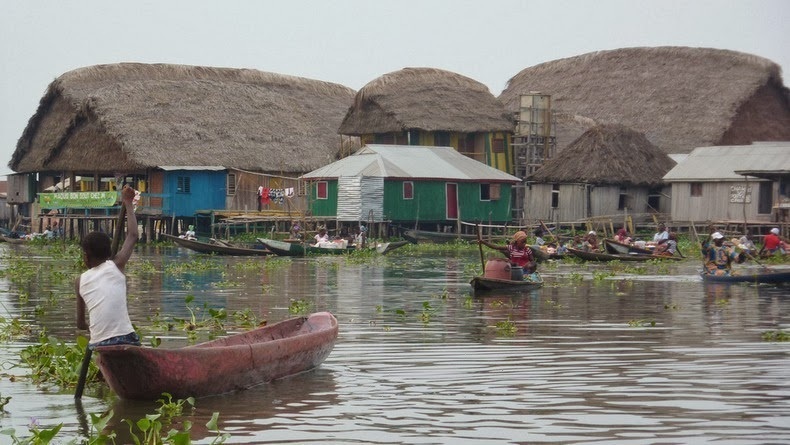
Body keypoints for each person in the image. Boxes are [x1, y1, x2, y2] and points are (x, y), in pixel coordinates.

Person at [76, 185, 141, 349]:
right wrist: (128, 203)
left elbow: (80, 324)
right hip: (126, 338)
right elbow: (133, 235)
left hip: (98, 342)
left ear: (86, 256)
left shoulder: (80, 281)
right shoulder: (116, 265)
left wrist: (91, 329)